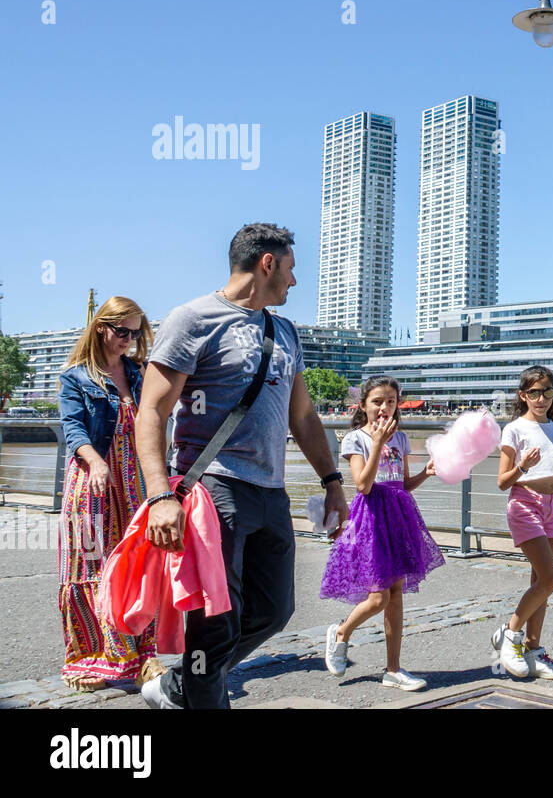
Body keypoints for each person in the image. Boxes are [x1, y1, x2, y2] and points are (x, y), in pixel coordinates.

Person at [134, 223, 350, 709]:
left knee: (275, 611)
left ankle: (178, 688)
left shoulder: (284, 331)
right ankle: (201, 696)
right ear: (267, 264)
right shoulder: (193, 319)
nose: (294, 282)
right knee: (215, 621)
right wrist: (159, 496)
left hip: (271, 492)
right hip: (214, 488)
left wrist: (333, 482)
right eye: (291, 270)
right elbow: (152, 410)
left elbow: (304, 417)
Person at [57, 296, 166, 691]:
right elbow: (73, 429)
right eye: (122, 332)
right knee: (90, 564)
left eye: (136, 333)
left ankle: (145, 656)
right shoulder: (75, 376)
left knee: (138, 563)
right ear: (101, 327)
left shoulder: (139, 372)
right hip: (93, 481)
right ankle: (91, 655)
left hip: (136, 479)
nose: (129, 340)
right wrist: (96, 461)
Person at [321, 376, 444, 691]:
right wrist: (376, 442)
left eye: (391, 401)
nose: (385, 408)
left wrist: (425, 474)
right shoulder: (356, 439)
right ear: (363, 405)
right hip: (372, 519)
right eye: (377, 401)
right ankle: (341, 633)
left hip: (399, 518)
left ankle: (393, 669)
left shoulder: (401, 439)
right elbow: (363, 485)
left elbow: (401, 484)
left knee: (397, 594)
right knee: (378, 597)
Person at [490, 365, 553, 680]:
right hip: (524, 505)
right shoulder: (515, 429)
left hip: (551, 508)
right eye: (534, 392)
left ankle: (534, 651)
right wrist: (523, 465)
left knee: (541, 585)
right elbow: (503, 482)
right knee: (550, 579)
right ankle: (509, 633)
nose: (541, 398)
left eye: (547, 391)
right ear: (523, 395)